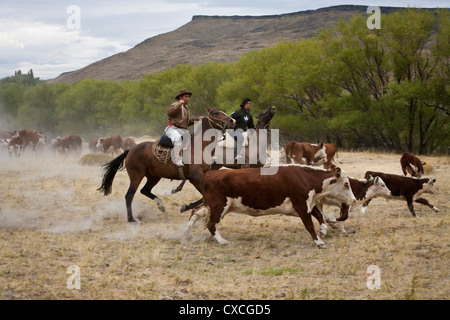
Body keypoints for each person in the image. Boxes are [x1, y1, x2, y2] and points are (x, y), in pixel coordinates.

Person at [165, 90, 203, 179]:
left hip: (182, 129)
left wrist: (197, 119)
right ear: (180, 97)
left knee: (192, 140)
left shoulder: (186, 108)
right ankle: (177, 159)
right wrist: (179, 104)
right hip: (173, 128)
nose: (187, 98)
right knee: (177, 138)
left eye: (188, 97)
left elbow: (187, 123)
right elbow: (169, 113)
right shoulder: (175, 105)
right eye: (186, 96)